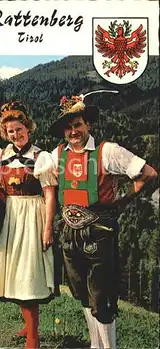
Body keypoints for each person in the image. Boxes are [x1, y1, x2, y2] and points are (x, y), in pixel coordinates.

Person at [49, 92, 158, 349]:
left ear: (88, 124)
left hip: (99, 231)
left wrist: (123, 200)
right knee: (83, 295)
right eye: (68, 127)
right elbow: (49, 186)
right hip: (69, 233)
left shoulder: (107, 151)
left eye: (77, 125)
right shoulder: (57, 155)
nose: (73, 131)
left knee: (102, 298)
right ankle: (95, 345)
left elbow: (148, 173)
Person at [0, 101, 58, 349]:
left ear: (28, 127)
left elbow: (49, 194)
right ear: (6, 133)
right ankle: (28, 325)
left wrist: (47, 227)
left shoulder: (41, 158)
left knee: (28, 274)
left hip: (31, 216)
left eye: (19, 129)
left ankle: (33, 336)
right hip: (8, 216)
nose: (16, 134)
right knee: (13, 272)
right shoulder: (0, 156)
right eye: (11, 131)